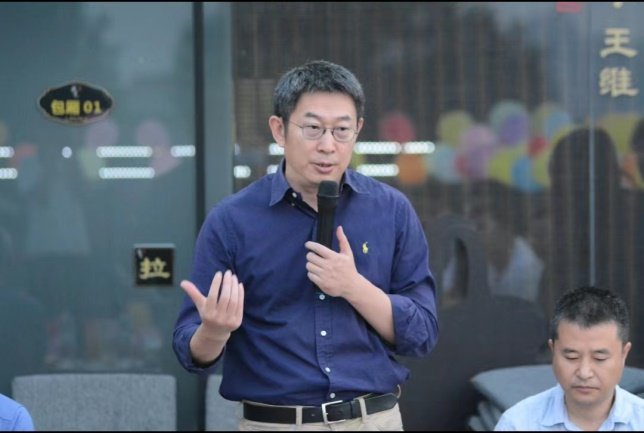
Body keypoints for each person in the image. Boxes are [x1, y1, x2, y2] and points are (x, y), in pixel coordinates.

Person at [172, 59, 439, 431]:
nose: (328, 146)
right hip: (276, 424)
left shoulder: (391, 210)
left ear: (358, 131)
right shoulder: (232, 221)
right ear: (279, 130)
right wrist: (214, 332)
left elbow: (422, 334)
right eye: (312, 128)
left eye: (341, 130)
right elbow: (190, 350)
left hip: (372, 419)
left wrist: (354, 287)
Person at [494, 285, 644, 431]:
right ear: (553, 351)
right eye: (571, 357)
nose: (584, 373)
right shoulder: (517, 424)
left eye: (599, 358)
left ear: (624, 354)